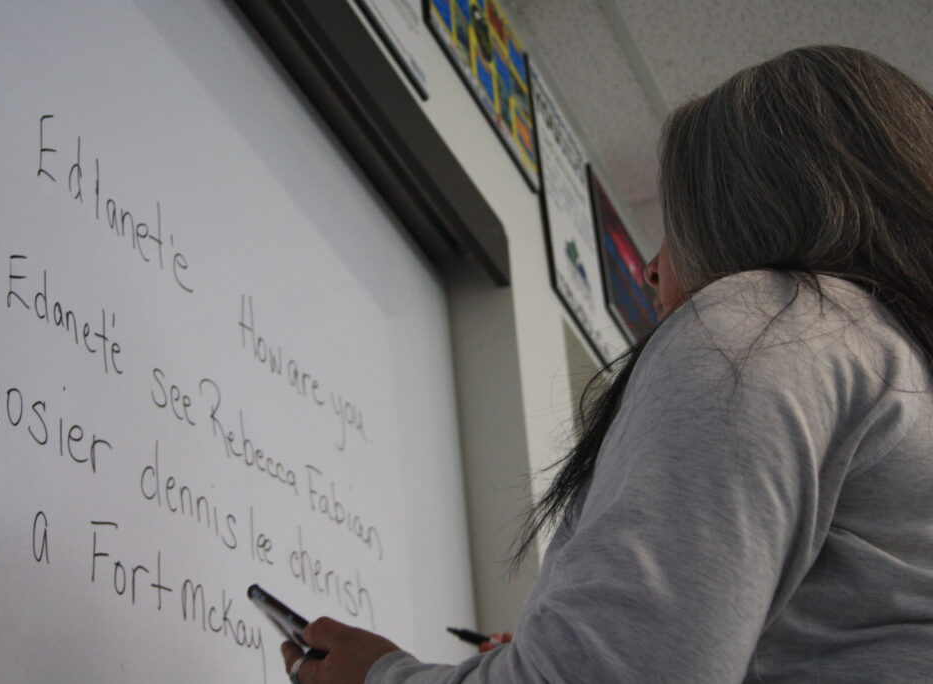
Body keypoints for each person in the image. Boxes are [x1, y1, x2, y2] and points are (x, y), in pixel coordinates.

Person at [281, 45, 933, 683]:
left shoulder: (764, 329)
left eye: (680, 225)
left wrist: (378, 678)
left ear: (747, 219)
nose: (652, 267)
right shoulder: (897, 372)